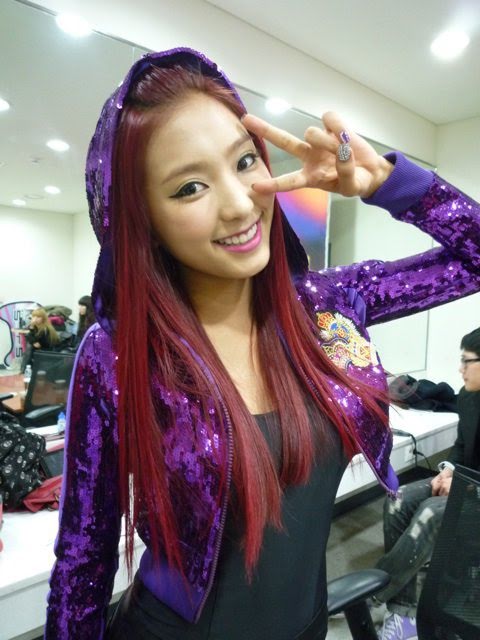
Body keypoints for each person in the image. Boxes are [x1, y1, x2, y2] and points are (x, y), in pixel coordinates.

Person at [44, 48, 480, 640]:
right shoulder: (117, 352)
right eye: (190, 187)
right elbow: (83, 559)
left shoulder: (326, 305)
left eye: (245, 160)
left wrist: (388, 184)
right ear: (145, 221)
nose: (239, 202)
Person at [376, 327, 480, 640]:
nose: (460, 369)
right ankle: (402, 612)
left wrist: (463, 483)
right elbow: (462, 446)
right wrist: (447, 470)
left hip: (475, 490)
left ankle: (372, 590)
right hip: (466, 481)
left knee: (431, 514)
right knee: (397, 498)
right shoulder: (467, 397)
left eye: (466, 361)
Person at [19, 307, 60, 372]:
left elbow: (38, 344)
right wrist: (31, 330)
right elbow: (30, 337)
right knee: (29, 345)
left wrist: (31, 330)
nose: (35, 319)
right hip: (39, 353)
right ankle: (24, 369)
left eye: (38, 317)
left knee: (30, 346)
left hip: (46, 353)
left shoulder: (45, 329)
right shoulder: (36, 327)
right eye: (34, 316)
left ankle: (24, 369)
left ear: (43, 318)